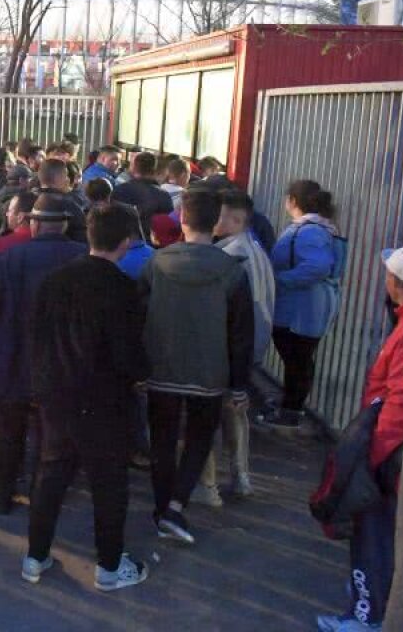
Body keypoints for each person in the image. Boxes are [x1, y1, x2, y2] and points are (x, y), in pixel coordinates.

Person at [20, 204, 150, 591]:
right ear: (126, 241)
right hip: (104, 402)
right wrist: (142, 375)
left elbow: (37, 337)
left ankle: (35, 555)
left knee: (51, 477)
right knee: (109, 484)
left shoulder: (54, 281)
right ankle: (109, 566)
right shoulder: (124, 289)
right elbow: (128, 353)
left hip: (57, 397)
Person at [315, 244, 403, 632]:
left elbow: (400, 404)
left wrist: (369, 462)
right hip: (396, 456)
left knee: (373, 537)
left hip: (388, 455)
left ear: (394, 282)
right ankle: (373, 601)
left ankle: (367, 615)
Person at [140, 189, 253, 545]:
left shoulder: (156, 264)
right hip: (210, 374)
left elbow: (137, 316)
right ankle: (175, 505)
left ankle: (162, 509)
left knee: (161, 441)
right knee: (199, 440)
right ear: (216, 221)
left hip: (161, 370)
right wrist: (239, 385)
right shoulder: (232, 272)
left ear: (182, 220)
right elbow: (240, 334)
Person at [0, 194, 88, 515]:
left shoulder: (12, 257)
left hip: (14, 361)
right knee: (53, 435)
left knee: (8, 431)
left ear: (33, 224)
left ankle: (3, 494)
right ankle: (44, 495)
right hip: (63, 366)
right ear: (64, 225)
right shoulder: (82, 258)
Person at [195, 189, 275, 505]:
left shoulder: (229, 257)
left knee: (208, 416)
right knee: (236, 412)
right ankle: (240, 476)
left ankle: (208, 486)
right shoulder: (255, 248)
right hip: (248, 348)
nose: (213, 220)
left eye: (219, 214)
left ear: (235, 218)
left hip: (227, 349)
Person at [261, 180, 343, 428]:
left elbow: (317, 266)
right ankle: (290, 404)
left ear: (293, 201)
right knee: (298, 359)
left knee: (297, 359)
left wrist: (280, 280)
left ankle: (290, 411)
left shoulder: (308, 231)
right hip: (304, 308)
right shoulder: (317, 229)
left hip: (300, 310)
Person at [112, 152, 174, 243]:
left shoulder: (119, 190)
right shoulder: (164, 196)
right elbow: (167, 226)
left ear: (133, 169)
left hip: (120, 243)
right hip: (153, 246)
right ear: (154, 170)